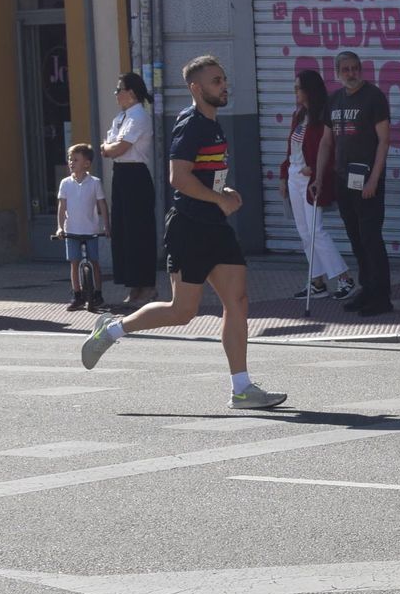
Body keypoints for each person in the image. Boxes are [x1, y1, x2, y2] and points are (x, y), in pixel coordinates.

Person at [80, 55, 286, 410]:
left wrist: (224, 194)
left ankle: (242, 388)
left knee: (237, 301)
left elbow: (206, 175)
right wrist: (217, 199)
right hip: (189, 226)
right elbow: (179, 177)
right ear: (196, 88)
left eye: (223, 79)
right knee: (182, 311)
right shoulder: (191, 125)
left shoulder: (215, 124)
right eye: (216, 81)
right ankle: (112, 330)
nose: (224, 86)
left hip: (216, 226)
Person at [318, 50, 392, 317]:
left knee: (371, 238)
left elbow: (384, 140)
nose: (351, 73)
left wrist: (374, 178)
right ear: (337, 73)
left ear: (361, 69)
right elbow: (327, 141)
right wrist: (319, 176)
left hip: (367, 179)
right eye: (346, 69)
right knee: (356, 238)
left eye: (355, 68)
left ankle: (382, 297)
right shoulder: (334, 100)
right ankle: (367, 289)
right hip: (342, 178)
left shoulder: (373, 97)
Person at [281, 69, 354, 301]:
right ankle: (317, 281)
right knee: (304, 233)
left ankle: (344, 278)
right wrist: (284, 175)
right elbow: (291, 149)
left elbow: (330, 148)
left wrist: (315, 169)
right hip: (295, 175)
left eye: (298, 88)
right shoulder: (298, 114)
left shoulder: (323, 115)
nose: (295, 92)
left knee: (316, 230)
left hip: (311, 177)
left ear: (309, 90)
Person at [99, 72, 157, 307]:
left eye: (119, 89)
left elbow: (118, 148)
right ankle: (133, 285)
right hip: (120, 175)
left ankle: (148, 286)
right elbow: (106, 147)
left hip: (136, 175)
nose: (116, 93)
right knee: (123, 231)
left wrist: (109, 147)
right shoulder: (120, 118)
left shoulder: (139, 116)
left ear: (131, 92)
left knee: (139, 231)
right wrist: (109, 147)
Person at [56, 144, 109, 312]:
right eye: (70, 159)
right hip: (71, 230)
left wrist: (106, 226)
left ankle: (98, 293)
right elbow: (61, 207)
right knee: (74, 263)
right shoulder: (65, 183)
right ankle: (77, 294)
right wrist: (59, 227)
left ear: (86, 163)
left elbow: (102, 204)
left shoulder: (94, 183)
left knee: (94, 262)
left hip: (90, 230)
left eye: (76, 159)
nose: (71, 162)